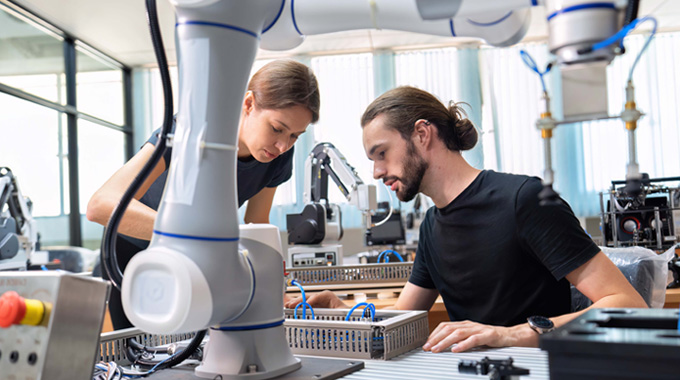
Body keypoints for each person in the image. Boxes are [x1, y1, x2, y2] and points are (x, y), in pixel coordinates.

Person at [286, 86, 647, 352]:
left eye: (382, 153)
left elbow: (628, 304)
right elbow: (400, 318)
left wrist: (510, 334)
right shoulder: (432, 225)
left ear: (423, 134)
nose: (377, 172)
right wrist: (340, 308)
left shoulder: (524, 200)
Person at [87, 60, 320, 329]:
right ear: (248, 104)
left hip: (192, 260)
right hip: (132, 258)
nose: (282, 145)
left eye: (295, 136)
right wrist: (194, 234)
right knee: (141, 358)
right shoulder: (190, 130)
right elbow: (101, 205)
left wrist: (271, 286)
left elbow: (257, 224)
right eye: (277, 128)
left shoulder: (278, 157)